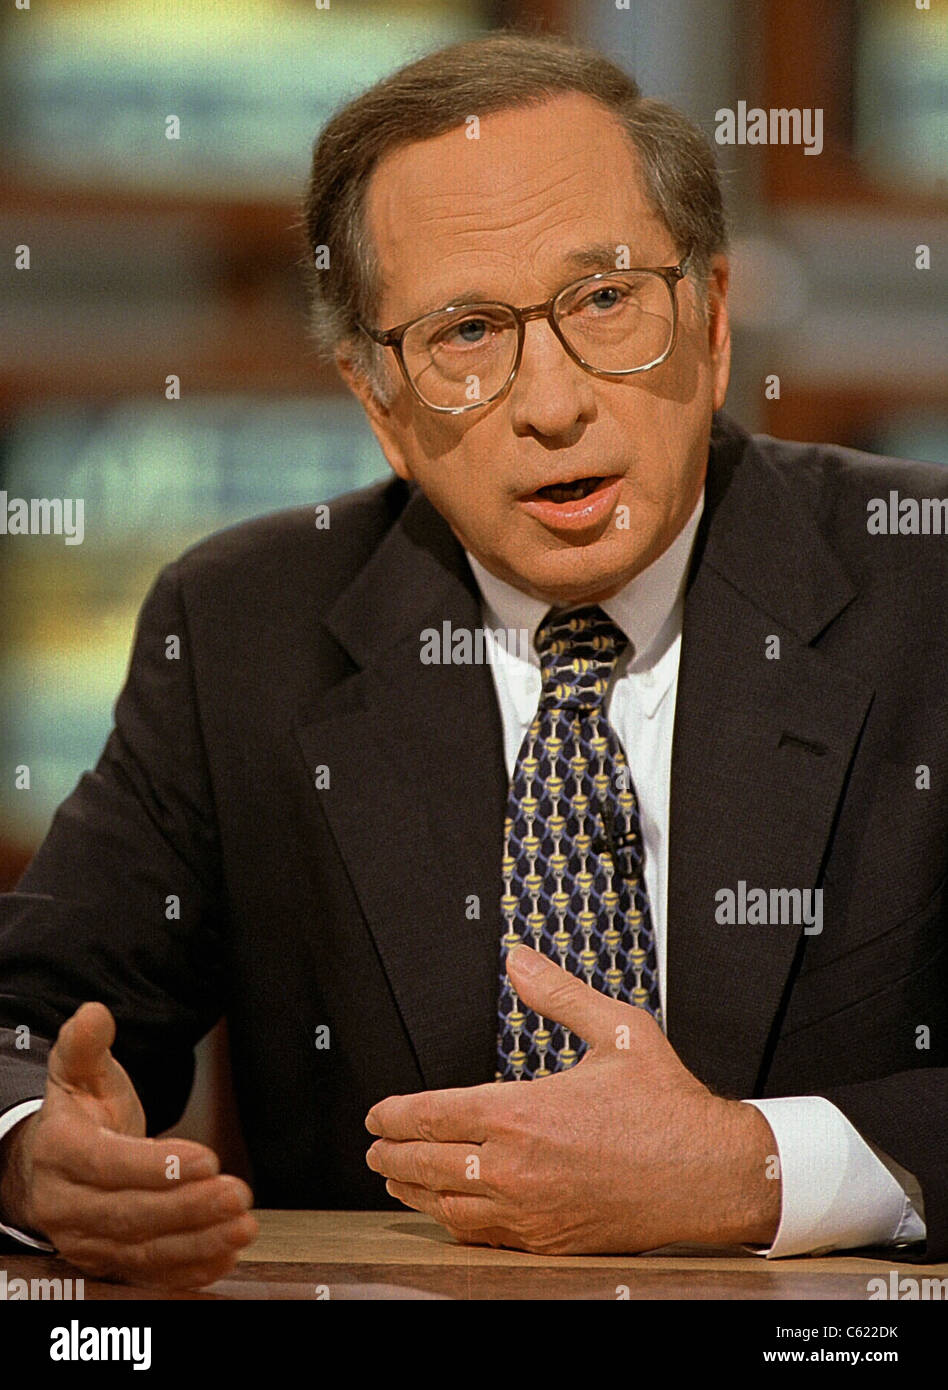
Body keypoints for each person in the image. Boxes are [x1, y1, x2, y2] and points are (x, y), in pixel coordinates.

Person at [0, 32, 945, 1291]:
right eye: (465, 333)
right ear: (378, 403)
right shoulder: (241, 628)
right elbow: (33, 1023)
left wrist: (758, 1166)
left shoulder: (928, 592)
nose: (551, 401)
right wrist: (32, 1154)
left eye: (605, 300)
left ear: (714, 323)